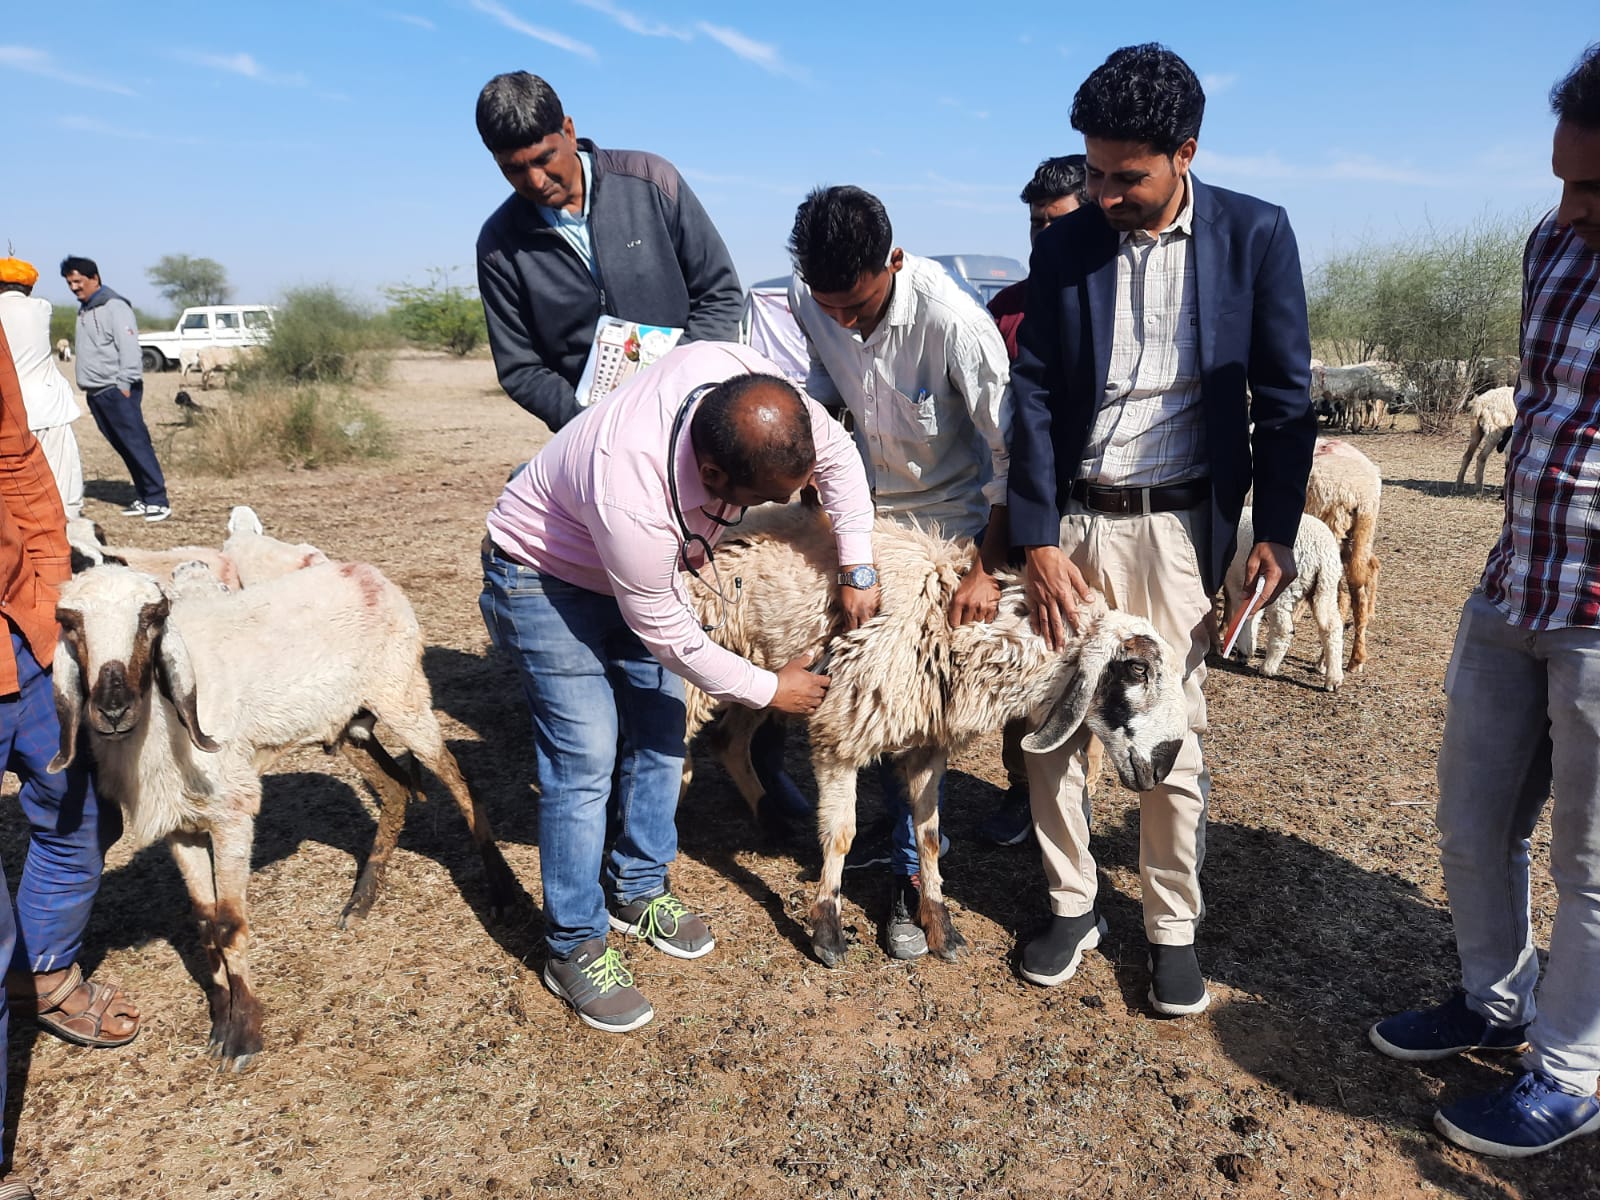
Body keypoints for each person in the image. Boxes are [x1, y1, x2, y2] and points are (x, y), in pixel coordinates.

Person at [1008, 44, 1315, 1016]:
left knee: (1164, 734)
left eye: (1125, 175)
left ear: (1184, 152)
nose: (1103, 192)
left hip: (1179, 533)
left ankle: (1170, 925)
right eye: (1093, 170)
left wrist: (1273, 528)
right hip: (1073, 533)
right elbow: (1035, 392)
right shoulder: (1066, 245)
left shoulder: (1255, 238)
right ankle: (1071, 902)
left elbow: (1285, 397)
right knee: (1048, 733)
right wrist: (1036, 536)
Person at [480, 340, 877, 1033]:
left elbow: (836, 456)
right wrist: (766, 688)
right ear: (715, 471)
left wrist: (859, 564)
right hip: (546, 574)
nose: (783, 504)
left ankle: (638, 888)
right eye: (764, 500)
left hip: (637, 570)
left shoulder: (744, 385)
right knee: (585, 760)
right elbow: (672, 637)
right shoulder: (633, 494)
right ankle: (573, 943)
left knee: (663, 730)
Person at [1368, 44, 1600, 1159]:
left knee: (1590, 863)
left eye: (1595, 188)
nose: (1569, 207)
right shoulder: (1551, 248)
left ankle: (1569, 1073)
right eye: (1562, 179)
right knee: (1472, 823)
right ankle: (1491, 998)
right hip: (1514, 583)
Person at [784, 184, 1012, 961]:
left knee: (925, 711)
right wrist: (810, 469)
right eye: (829, 306)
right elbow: (815, 399)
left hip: (949, 527)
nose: (843, 320)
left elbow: (1010, 459)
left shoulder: (956, 327)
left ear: (896, 261)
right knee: (860, 690)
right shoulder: (810, 301)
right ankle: (868, 850)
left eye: (858, 305)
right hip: (861, 516)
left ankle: (915, 888)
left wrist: (985, 565)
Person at [0, 322, 142, 1200]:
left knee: (83, 810)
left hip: (20, 635)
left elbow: (16, 460)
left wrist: (46, 595)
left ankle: (43, 975)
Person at [474, 71, 744, 432]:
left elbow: (720, 296)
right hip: (595, 434)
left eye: (544, 158)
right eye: (514, 169)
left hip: (690, 411)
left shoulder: (652, 182)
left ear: (568, 131)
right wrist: (591, 423)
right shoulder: (498, 247)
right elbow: (520, 367)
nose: (535, 181)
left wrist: (675, 389)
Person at [977, 154, 1091, 850]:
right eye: (1034, 226)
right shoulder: (1006, 312)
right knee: (1030, 653)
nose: (1042, 239)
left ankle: (1088, 798)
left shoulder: (1111, 296)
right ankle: (1026, 790)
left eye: (1056, 225)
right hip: (1029, 515)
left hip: (1103, 510)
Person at [59, 256, 170, 522]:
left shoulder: (114, 306)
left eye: (78, 281)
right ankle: (145, 498)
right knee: (123, 446)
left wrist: (125, 384)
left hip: (116, 390)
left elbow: (129, 347)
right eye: (69, 283)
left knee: (136, 443)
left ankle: (158, 500)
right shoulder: (86, 308)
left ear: (94, 278)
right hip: (96, 392)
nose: (74, 287)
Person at [0, 257, 84, 519]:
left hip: (9, 411)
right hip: (48, 408)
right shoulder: (41, 308)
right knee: (59, 483)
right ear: (29, 288)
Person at [988, 155, 1090, 364]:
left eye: (1059, 223)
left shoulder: (1116, 303)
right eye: (1037, 223)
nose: (1045, 235)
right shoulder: (1004, 309)